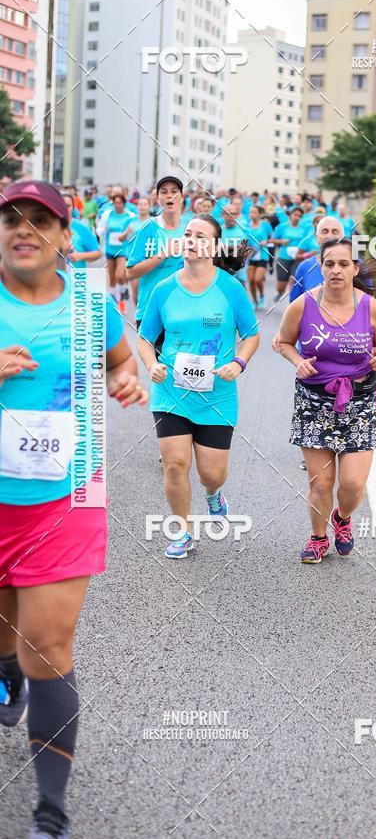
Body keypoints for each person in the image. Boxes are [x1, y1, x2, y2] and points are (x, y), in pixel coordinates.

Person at [0, 180, 147, 838]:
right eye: (10, 220)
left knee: (48, 645)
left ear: (66, 238)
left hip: (67, 495)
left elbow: (121, 362)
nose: (22, 230)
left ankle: (49, 813)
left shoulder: (93, 302)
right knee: (7, 636)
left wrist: (123, 380)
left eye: (39, 220)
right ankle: (6, 671)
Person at [137, 215, 260, 559]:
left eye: (200, 235)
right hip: (172, 391)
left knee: (212, 473)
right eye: (187, 233)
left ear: (214, 245)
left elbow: (251, 335)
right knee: (175, 463)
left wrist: (238, 363)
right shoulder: (164, 289)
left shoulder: (230, 288)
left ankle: (213, 495)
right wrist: (152, 364)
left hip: (216, 395)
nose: (191, 239)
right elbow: (145, 338)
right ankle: (183, 531)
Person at [276, 237, 376, 563]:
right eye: (329, 264)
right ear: (321, 267)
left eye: (343, 264)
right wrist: (298, 361)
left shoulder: (371, 307)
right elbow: (283, 342)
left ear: (355, 268)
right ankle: (317, 537)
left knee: (352, 483)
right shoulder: (303, 305)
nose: (336, 270)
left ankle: (342, 518)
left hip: (358, 401)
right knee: (321, 482)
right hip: (314, 401)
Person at [126, 176, 187, 327]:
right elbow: (131, 273)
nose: (169, 195)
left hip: (184, 310)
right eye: (164, 192)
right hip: (151, 311)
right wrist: (163, 254)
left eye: (174, 191)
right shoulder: (148, 228)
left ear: (181, 197)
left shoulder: (191, 227)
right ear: (157, 198)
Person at [102, 192, 137, 312]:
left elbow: (134, 230)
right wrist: (103, 230)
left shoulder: (130, 215)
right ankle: (116, 302)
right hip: (110, 249)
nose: (117, 205)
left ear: (124, 203)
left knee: (120, 276)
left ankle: (123, 294)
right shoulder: (107, 214)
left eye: (120, 203)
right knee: (111, 279)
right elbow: (99, 229)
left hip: (123, 249)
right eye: (115, 203)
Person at [272, 206, 307, 301]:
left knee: (294, 280)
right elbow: (272, 240)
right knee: (281, 286)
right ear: (291, 215)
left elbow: (307, 242)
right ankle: (280, 292)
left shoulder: (304, 229)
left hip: (297, 258)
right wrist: (282, 241)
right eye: (295, 215)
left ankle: (292, 302)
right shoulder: (282, 227)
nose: (297, 217)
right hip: (283, 257)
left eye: (300, 216)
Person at [61, 193, 101, 270]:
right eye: (62, 205)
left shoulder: (81, 227)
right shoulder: (48, 227)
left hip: (76, 277)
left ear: (73, 208)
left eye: (68, 206)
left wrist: (80, 256)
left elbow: (98, 253)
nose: (65, 209)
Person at [246, 205, 271, 310]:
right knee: (251, 280)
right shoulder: (246, 227)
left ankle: (262, 296)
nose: (252, 214)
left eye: (255, 212)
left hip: (263, 255)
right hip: (251, 256)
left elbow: (272, 237)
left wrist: (266, 241)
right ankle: (255, 301)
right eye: (251, 212)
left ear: (259, 214)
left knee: (258, 279)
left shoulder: (265, 225)